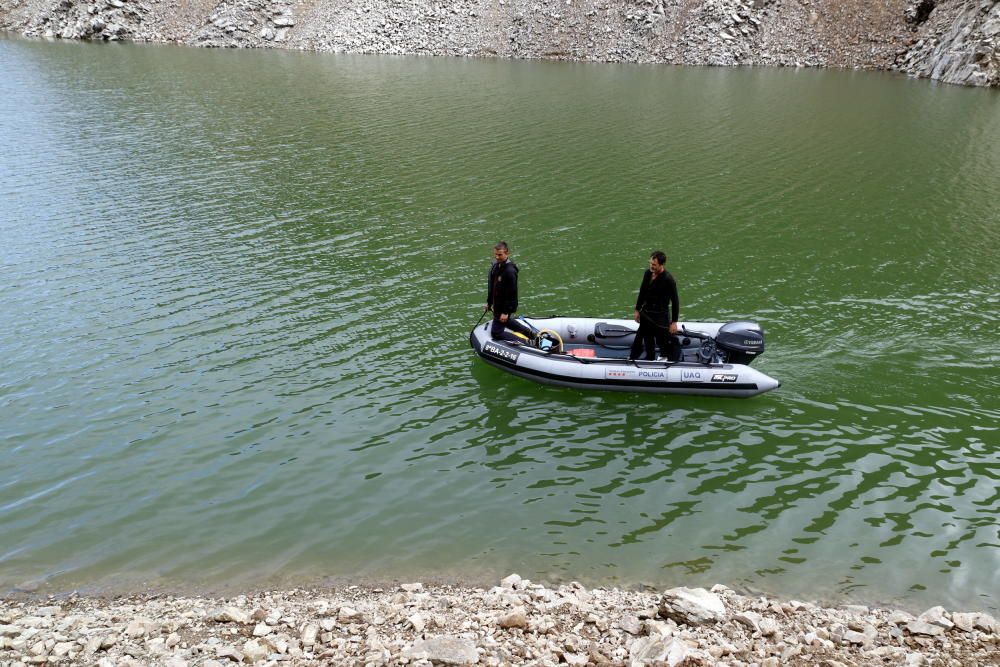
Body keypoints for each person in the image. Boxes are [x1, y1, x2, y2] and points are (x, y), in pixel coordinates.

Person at [628, 250, 680, 361]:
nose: (651, 266)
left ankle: (664, 357)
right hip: (646, 313)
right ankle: (648, 357)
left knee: (662, 341)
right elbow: (642, 292)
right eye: (650, 263)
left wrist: (674, 322)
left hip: (660, 316)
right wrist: (637, 310)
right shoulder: (647, 273)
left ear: (661, 264)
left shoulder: (668, 279)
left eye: (654, 265)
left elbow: (675, 301)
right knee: (646, 338)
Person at [485, 241, 533, 342]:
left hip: (504, 306)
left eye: (500, 255)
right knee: (504, 321)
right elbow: (492, 287)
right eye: (495, 254)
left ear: (507, 254)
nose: (497, 257)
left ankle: (525, 341)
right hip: (497, 304)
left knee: (496, 333)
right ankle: (529, 333)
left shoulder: (510, 271)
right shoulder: (495, 266)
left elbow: (512, 293)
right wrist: (489, 303)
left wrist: (506, 312)